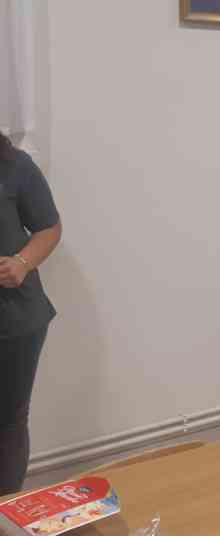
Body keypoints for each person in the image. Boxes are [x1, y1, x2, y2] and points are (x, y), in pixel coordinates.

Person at [0, 132, 62, 493]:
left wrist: (22, 263)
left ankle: (5, 512)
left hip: (14, 321)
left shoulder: (15, 166)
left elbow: (49, 227)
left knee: (8, 423)